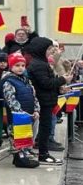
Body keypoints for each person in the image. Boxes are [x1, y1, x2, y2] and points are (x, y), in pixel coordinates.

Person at [25, 36, 70, 165]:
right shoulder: (38, 64)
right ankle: (43, 154)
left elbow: (48, 84)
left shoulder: (42, 62)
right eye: (49, 48)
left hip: (46, 100)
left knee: (44, 127)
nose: (51, 51)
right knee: (44, 128)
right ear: (41, 49)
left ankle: (41, 152)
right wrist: (63, 80)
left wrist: (60, 89)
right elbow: (45, 83)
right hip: (42, 102)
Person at [2, 53, 41, 168]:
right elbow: (10, 99)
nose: (20, 68)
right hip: (17, 115)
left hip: (30, 113)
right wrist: (20, 112)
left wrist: (36, 110)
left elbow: (34, 96)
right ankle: (19, 158)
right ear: (11, 66)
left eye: (23, 65)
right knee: (17, 136)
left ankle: (24, 153)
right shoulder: (8, 81)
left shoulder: (26, 80)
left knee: (27, 135)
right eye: (17, 65)